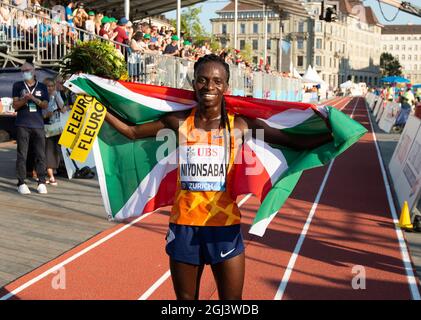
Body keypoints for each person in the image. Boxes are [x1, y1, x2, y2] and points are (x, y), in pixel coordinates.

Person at [104, 54, 333, 300]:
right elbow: (131, 132)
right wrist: (98, 108)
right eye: (202, 80)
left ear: (226, 86)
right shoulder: (178, 121)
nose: (209, 87)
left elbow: (292, 141)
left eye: (216, 81)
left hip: (224, 226)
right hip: (185, 226)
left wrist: (332, 132)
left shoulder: (241, 125)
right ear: (193, 84)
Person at [12, 62, 49, 195]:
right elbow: (15, 105)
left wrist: (33, 98)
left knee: (40, 154)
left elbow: (45, 105)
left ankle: (41, 182)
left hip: (38, 124)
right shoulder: (18, 85)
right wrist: (25, 100)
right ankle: (21, 183)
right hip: (22, 124)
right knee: (22, 154)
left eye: (27, 70)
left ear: (34, 71)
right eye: (22, 71)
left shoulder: (42, 87)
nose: (25, 72)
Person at [43, 78, 64, 186]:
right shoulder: (42, 97)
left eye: (52, 86)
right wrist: (46, 115)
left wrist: (56, 95)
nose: (50, 88)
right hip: (46, 127)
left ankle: (50, 172)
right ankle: (51, 176)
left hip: (57, 128)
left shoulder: (56, 95)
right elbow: (42, 112)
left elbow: (63, 108)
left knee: (55, 151)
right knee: (48, 151)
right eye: (48, 86)